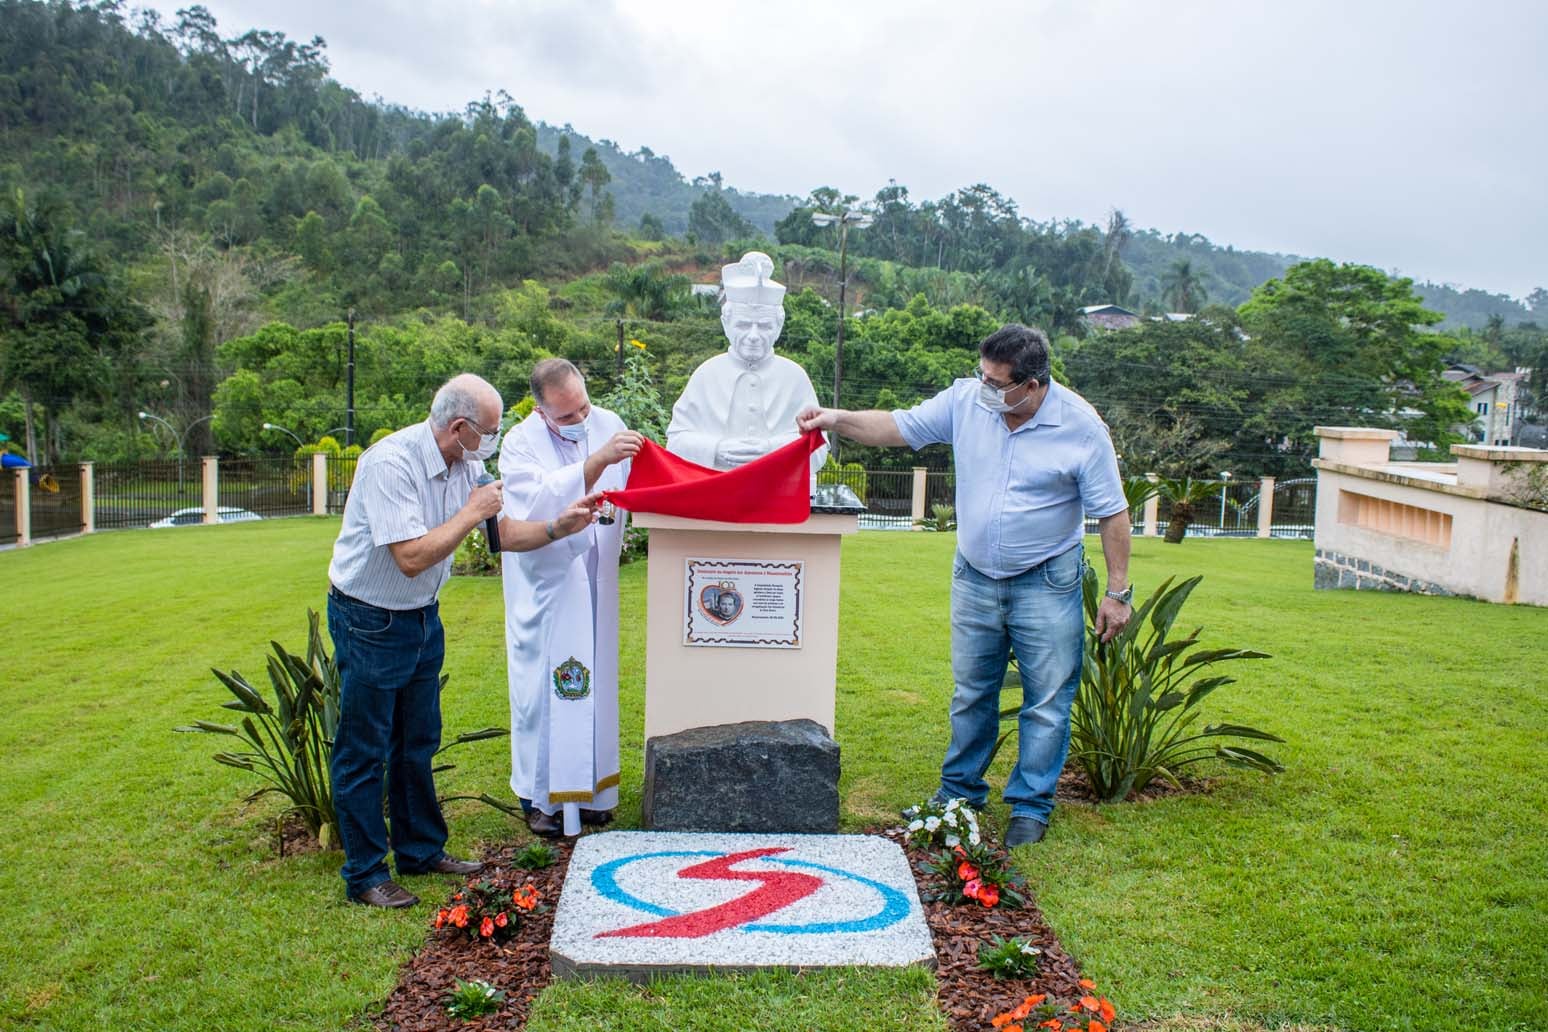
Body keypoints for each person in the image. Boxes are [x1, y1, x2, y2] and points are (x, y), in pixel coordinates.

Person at [797, 324, 1133, 847]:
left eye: (997, 384)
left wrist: (1117, 592)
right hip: (975, 575)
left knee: (1046, 699)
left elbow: (1113, 513)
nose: (986, 391)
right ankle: (958, 796)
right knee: (972, 691)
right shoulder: (967, 402)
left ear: (1033, 384)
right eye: (983, 377)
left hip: (1046, 577)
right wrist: (835, 419)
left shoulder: (1082, 428)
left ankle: (1030, 807)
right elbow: (898, 426)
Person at [327, 373, 598, 907]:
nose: (494, 442)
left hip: (422, 616)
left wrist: (558, 527)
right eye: (490, 431)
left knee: (418, 741)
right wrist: (470, 511)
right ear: (459, 427)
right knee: (365, 749)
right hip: (369, 618)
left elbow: (501, 535)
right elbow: (410, 558)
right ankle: (365, 873)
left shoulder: (466, 462)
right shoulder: (391, 464)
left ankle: (421, 849)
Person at [498, 359, 642, 838]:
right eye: (565, 416)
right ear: (541, 412)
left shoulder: (609, 424)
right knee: (547, 690)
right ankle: (541, 798)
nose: (580, 420)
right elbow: (529, 507)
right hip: (549, 584)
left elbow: (638, 482)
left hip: (597, 577)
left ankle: (594, 792)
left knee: (594, 681)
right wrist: (595, 462)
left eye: (583, 406)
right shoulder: (521, 442)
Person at [667, 251, 828, 476]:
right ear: (726, 323)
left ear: (779, 326)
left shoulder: (794, 377)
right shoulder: (707, 374)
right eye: (743, 325)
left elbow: (818, 450)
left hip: (778, 495)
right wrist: (715, 450)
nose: (753, 335)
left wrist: (772, 450)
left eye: (763, 326)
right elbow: (675, 442)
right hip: (716, 490)